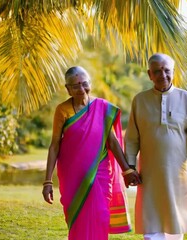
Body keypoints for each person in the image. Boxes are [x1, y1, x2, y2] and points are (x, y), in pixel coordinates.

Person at [42, 66, 141, 240]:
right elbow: (54, 145)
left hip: (100, 173)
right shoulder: (62, 110)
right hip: (72, 175)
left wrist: (127, 170)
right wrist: (47, 181)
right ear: (67, 89)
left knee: (101, 215)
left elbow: (112, 142)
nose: (81, 89)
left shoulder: (101, 107)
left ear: (90, 84)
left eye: (84, 84)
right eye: (75, 86)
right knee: (77, 218)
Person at [125, 53, 187, 240]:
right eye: (157, 71)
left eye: (166, 70)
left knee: (175, 223)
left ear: (173, 72)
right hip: (149, 175)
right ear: (149, 74)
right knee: (151, 223)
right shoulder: (140, 101)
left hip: (178, 174)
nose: (163, 75)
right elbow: (131, 139)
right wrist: (129, 169)